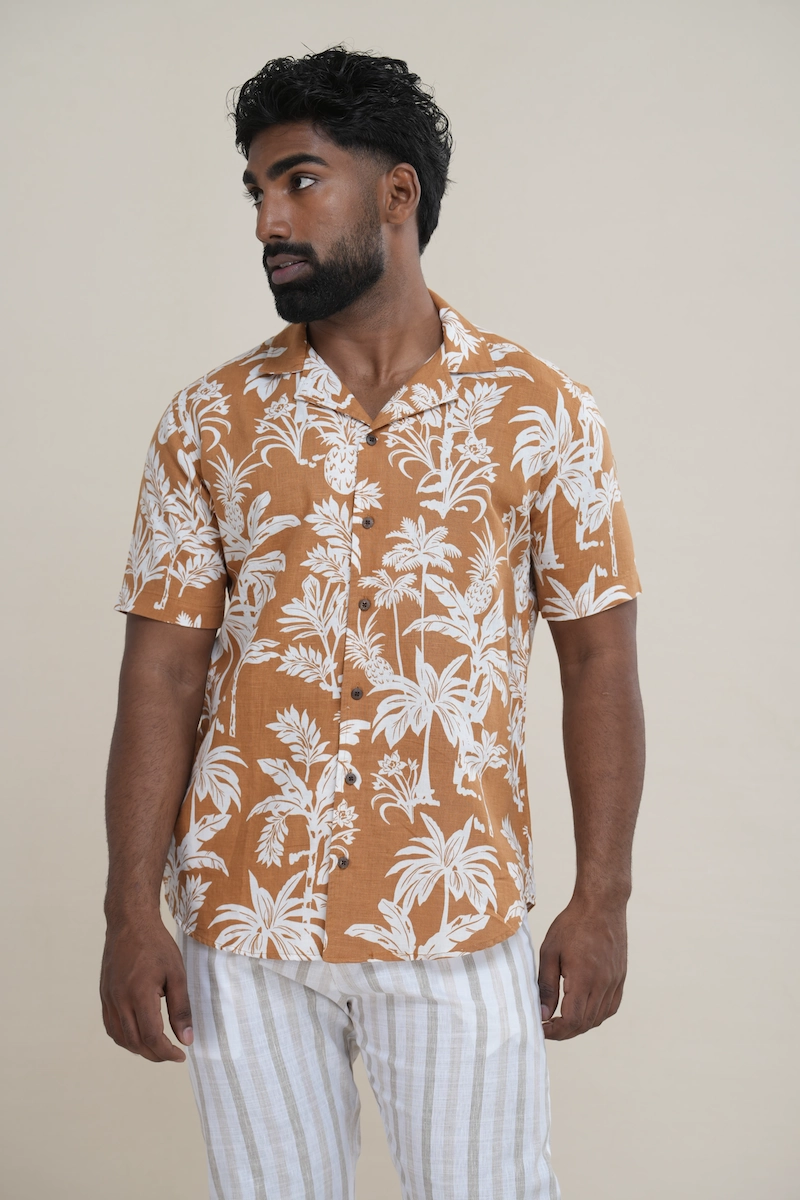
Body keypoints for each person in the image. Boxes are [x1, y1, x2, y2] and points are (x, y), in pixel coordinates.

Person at [100, 45, 645, 1200]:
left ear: (396, 194)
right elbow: (160, 678)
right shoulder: (205, 423)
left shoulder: (539, 410)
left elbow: (596, 660)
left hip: (454, 917)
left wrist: (602, 899)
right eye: (256, 192)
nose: (267, 220)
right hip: (245, 926)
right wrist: (127, 910)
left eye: (298, 180)